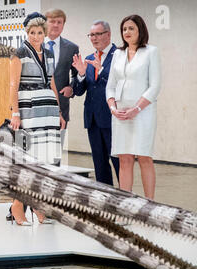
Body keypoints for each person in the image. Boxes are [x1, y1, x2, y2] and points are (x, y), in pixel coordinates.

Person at [9, 12, 65, 226]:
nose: (36, 36)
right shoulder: (19, 52)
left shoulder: (50, 53)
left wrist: (58, 112)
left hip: (48, 110)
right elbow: (13, 85)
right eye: (32, 32)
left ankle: (38, 205)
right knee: (27, 161)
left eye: (39, 32)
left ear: (45, 33)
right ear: (27, 32)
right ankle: (17, 205)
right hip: (28, 110)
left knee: (45, 161)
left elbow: (52, 84)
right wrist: (15, 113)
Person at [105, 15, 161, 199]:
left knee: (144, 157)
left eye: (131, 28)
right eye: (124, 29)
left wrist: (136, 109)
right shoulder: (117, 54)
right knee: (124, 158)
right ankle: (125, 206)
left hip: (142, 112)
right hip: (120, 113)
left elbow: (155, 86)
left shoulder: (151, 52)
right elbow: (110, 86)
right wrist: (113, 109)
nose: (127, 32)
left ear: (140, 30)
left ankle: (150, 204)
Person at [72, 20, 120, 186]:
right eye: (91, 35)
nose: (93, 38)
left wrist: (101, 70)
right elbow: (79, 91)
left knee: (119, 162)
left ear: (108, 34)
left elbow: (119, 85)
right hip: (93, 119)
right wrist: (81, 74)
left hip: (112, 117)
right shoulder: (89, 58)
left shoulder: (119, 55)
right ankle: (106, 201)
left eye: (97, 34)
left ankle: (125, 200)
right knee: (100, 164)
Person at [44, 8, 79, 144]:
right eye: (52, 21)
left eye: (59, 22)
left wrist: (71, 88)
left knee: (56, 153)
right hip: (36, 107)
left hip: (61, 107)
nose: (56, 25)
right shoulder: (34, 46)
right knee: (34, 155)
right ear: (45, 23)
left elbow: (76, 76)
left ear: (63, 25)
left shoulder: (72, 48)